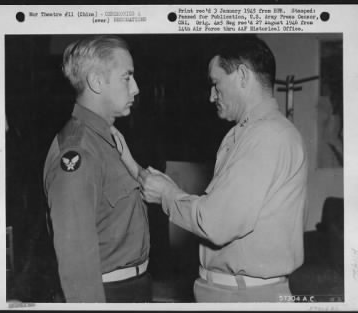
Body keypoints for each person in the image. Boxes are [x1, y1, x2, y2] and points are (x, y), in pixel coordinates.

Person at [114, 35, 308, 302]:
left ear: (242, 75)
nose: (211, 95)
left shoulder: (267, 136)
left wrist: (168, 195)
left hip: (244, 296)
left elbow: (217, 223)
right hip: (232, 291)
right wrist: (134, 165)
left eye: (216, 84)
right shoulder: (245, 135)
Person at [43, 35, 151, 303]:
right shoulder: (78, 150)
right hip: (107, 294)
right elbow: (76, 260)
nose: (135, 88)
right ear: (96, 81)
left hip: (134, 287)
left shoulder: (107, 139)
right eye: (127, 77)